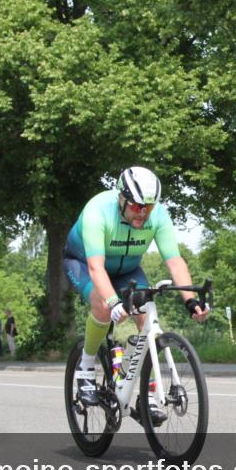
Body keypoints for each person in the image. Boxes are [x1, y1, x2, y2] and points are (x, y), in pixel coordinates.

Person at [63, 166, 208, 419]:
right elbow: (96, 268)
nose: (143, 213)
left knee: (147, 316)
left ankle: (148, 393)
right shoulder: (98, 211)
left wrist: (191, 300)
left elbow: (175, 261)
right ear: (121, 198)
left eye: (148, 207)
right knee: (103, 305)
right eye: (137, 206)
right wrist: (113, 302)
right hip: (84, 263)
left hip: (127, 270)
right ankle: (85, 366)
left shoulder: (158, 215)